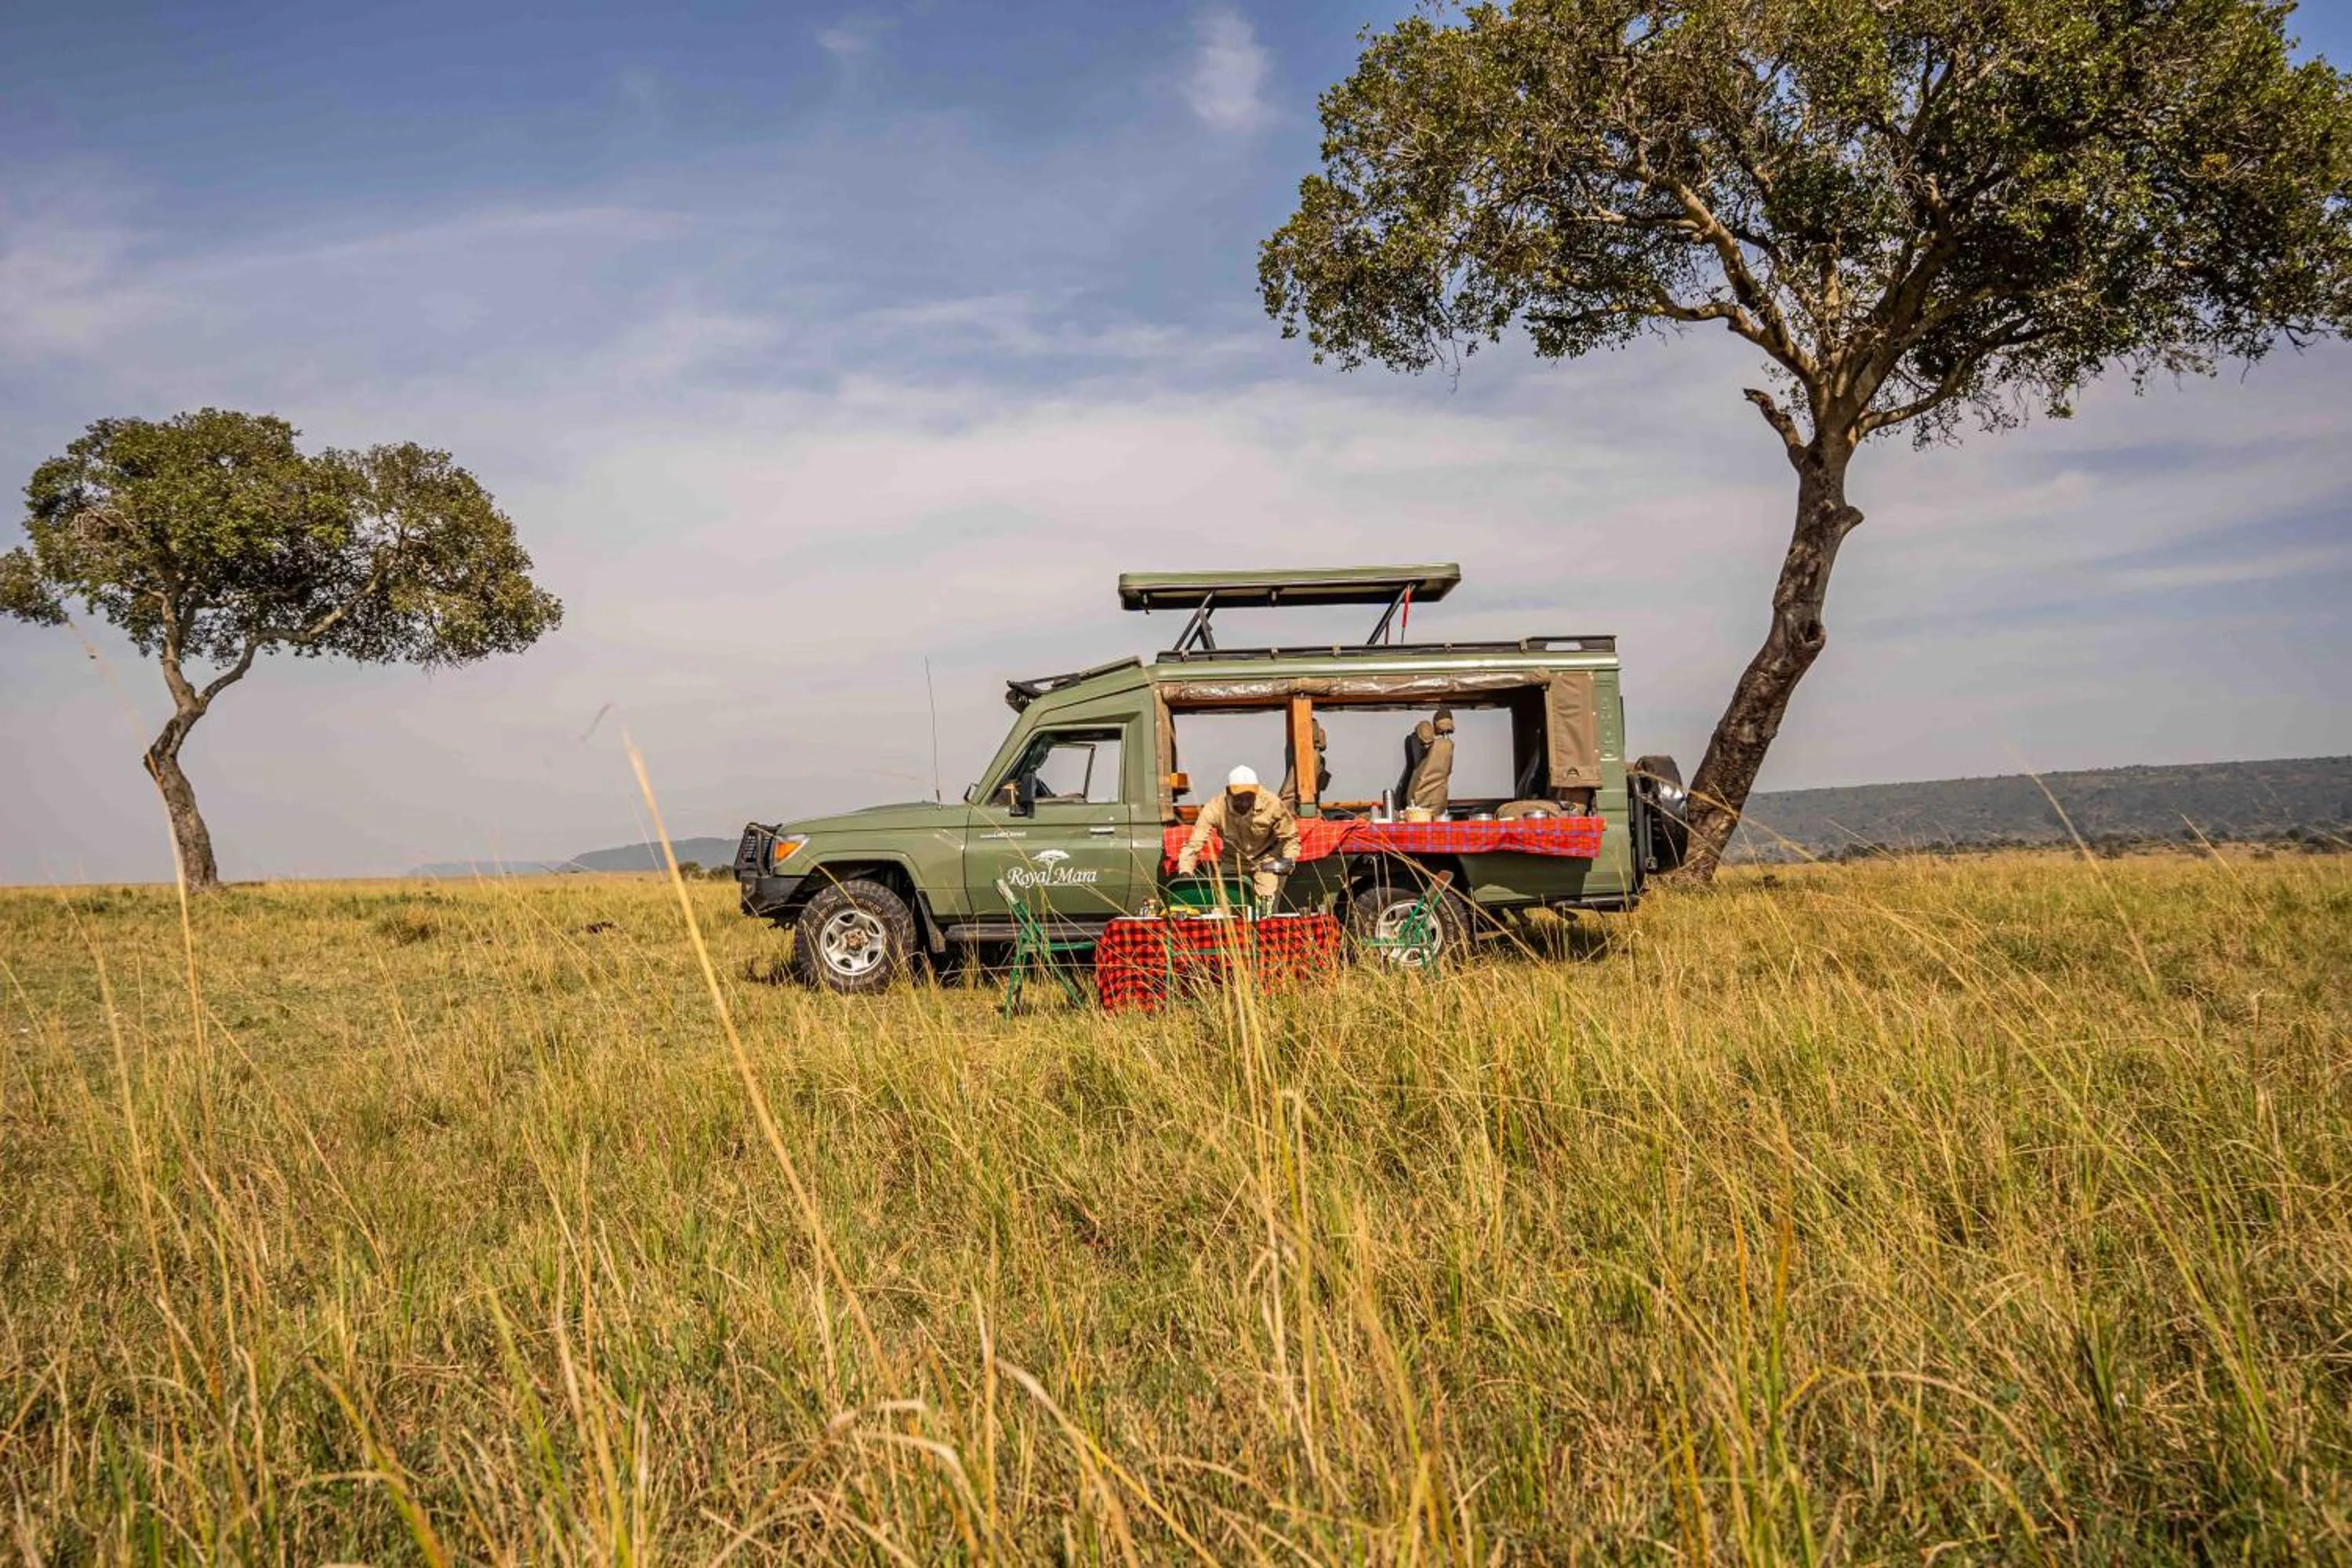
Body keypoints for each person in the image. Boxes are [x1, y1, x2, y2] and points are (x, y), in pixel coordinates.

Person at [1176, 764, 1303, 902]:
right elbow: (1194, 845)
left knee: (1265, 907)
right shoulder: (1215, 808)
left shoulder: (1272, 803)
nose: (1245, 802)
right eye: (1240, 797)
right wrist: (1185, 871)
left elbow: (1290, 837)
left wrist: (1288, 859)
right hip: (1232, 860)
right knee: (1229, 904)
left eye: (1250, 797)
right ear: (1229, 793)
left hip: (1266, 860)